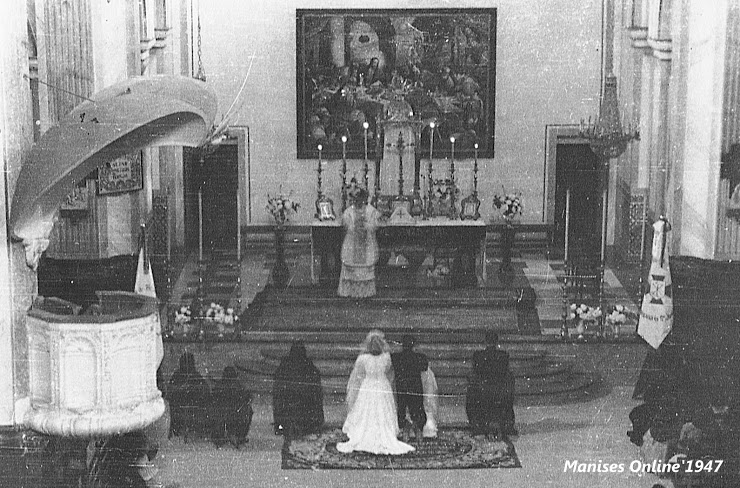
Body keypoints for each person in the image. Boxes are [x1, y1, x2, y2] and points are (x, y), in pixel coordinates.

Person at [337, 330, 415, 455]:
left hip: (368, 385)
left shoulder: (363, 358)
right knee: (382, 410)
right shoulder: (386, 357)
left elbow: (359, 375)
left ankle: (365, 434)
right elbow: (389, 373)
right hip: (382, 386)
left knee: (367, 410)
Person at [465, 331, 517, 440]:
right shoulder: (504, 355)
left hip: (482, 392)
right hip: (500, 392)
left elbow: (474, 373)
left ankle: (478, 428)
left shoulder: (478, 355)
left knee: (472, 393)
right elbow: (508, 374)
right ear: (497, 342)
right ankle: (507, 427)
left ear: (485, 342)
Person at [272, 341, 325, 437]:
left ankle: (281, 426)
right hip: (304, 413)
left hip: (289, 411)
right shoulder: (310, 367)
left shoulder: (283, 367)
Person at [338, 187, 381, 298]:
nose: (359, 202)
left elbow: (376, 224)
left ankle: (365, 293)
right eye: (356, 199)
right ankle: (350, 292)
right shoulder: (349, 211)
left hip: (366, 242)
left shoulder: (371, 211)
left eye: (361, 199)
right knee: (351, 267)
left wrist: (368, 226)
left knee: (365, 268)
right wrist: (353, 226)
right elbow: (346, 224)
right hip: (352, 242)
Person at [391, 334, 429, 444]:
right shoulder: (420, 357)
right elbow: (425, 368)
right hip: (415, 386)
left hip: (402, 386)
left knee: (402, 407)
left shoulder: (395, 357)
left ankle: (405, 428)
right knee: (417, 407)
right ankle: (418, 429)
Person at [167, 352, 211, 441]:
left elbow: (170, 392)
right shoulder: (194, 375)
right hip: (190, 408)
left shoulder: (179, 375)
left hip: (183, 409)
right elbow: (206, 390)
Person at [209, 366, 253, 448]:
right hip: (238, 417)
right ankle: (240, 436)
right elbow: (248, 398)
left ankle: (219, 436)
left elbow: (212, 399)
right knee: (249, 410)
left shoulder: (219, 386)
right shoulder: (239, 387)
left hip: (222, 417)